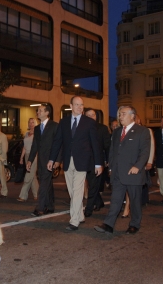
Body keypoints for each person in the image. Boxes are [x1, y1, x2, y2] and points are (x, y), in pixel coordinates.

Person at [47, 96, 102, 231]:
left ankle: (74, 220)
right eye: (77, 105)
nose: (79, 107)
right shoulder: (64, 122)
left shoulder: (89, 122)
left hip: (82, 161)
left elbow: (95, 144)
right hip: (67, 161)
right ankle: (80, 214)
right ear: (70, 106)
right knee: (72, 191)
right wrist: (52, 159)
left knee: (77, 190)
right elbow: (57, 142)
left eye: (81, 105)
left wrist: (98, 163)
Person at [94, 106, 150, 235]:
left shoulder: (142, 131)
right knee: (116, 199)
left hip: (133, 172)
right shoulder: (117, 131)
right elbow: (113, 151)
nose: (120, 117)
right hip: (118, 172)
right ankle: (108, 224)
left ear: (132, 116)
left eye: (123, 114)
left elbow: (145, 151)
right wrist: (111, 167)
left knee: (135, 201)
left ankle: (134, 224)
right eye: (119, 114)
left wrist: (138, 166)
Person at [27, 104, 60, 216]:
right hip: (41, 161)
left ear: (47, 113)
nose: (38, 112)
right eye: (38, 111)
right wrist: (30, 160)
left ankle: (40, 208)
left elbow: (59, 144)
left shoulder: (55, 126)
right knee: (47, 183)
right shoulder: (37, 128)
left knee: (43, 184)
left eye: (40, 110)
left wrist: (57, 160)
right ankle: (50, 206)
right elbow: (35, 145)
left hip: (50, 160)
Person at [84, 108, 110, 217]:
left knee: (94, 185)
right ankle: (99, 202)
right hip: (84, 161)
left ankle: (89, 209)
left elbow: (107, 146)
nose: (91, 117)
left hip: (96, 162)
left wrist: (108, 161)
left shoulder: (102, 128)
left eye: (93, 115)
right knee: (91, 185)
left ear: (96, 116)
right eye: (88, 115)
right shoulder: (81, 128)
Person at [17, 118, 39, 202]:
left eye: (33, 122)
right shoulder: (26, 134)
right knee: (32, 176)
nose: (31, 124)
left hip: (34, 156)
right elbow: (25, 147)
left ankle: (23, 195)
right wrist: (21, 157)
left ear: (36, 123)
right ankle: (37, 194)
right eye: (30, 122)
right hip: (26, 156)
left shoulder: (37, 133)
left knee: (28, 175)